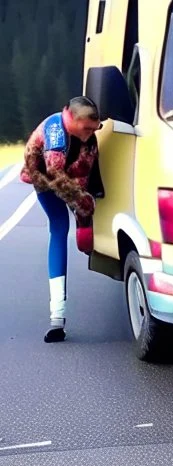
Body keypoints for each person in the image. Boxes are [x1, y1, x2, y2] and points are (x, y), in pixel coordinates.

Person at [20, 96, 104, 343]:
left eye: (93, 128)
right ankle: (57, 315)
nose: (89, 133)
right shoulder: (56, 132)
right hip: (46, 178)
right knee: (59, 229)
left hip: (75, 174)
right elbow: (56, 176)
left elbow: (86, 168)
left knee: (82, 223)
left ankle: (84, 225)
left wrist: (87, 199)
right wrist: (82, 203)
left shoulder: (87, 137)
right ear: (71, 119)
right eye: (86, 128)